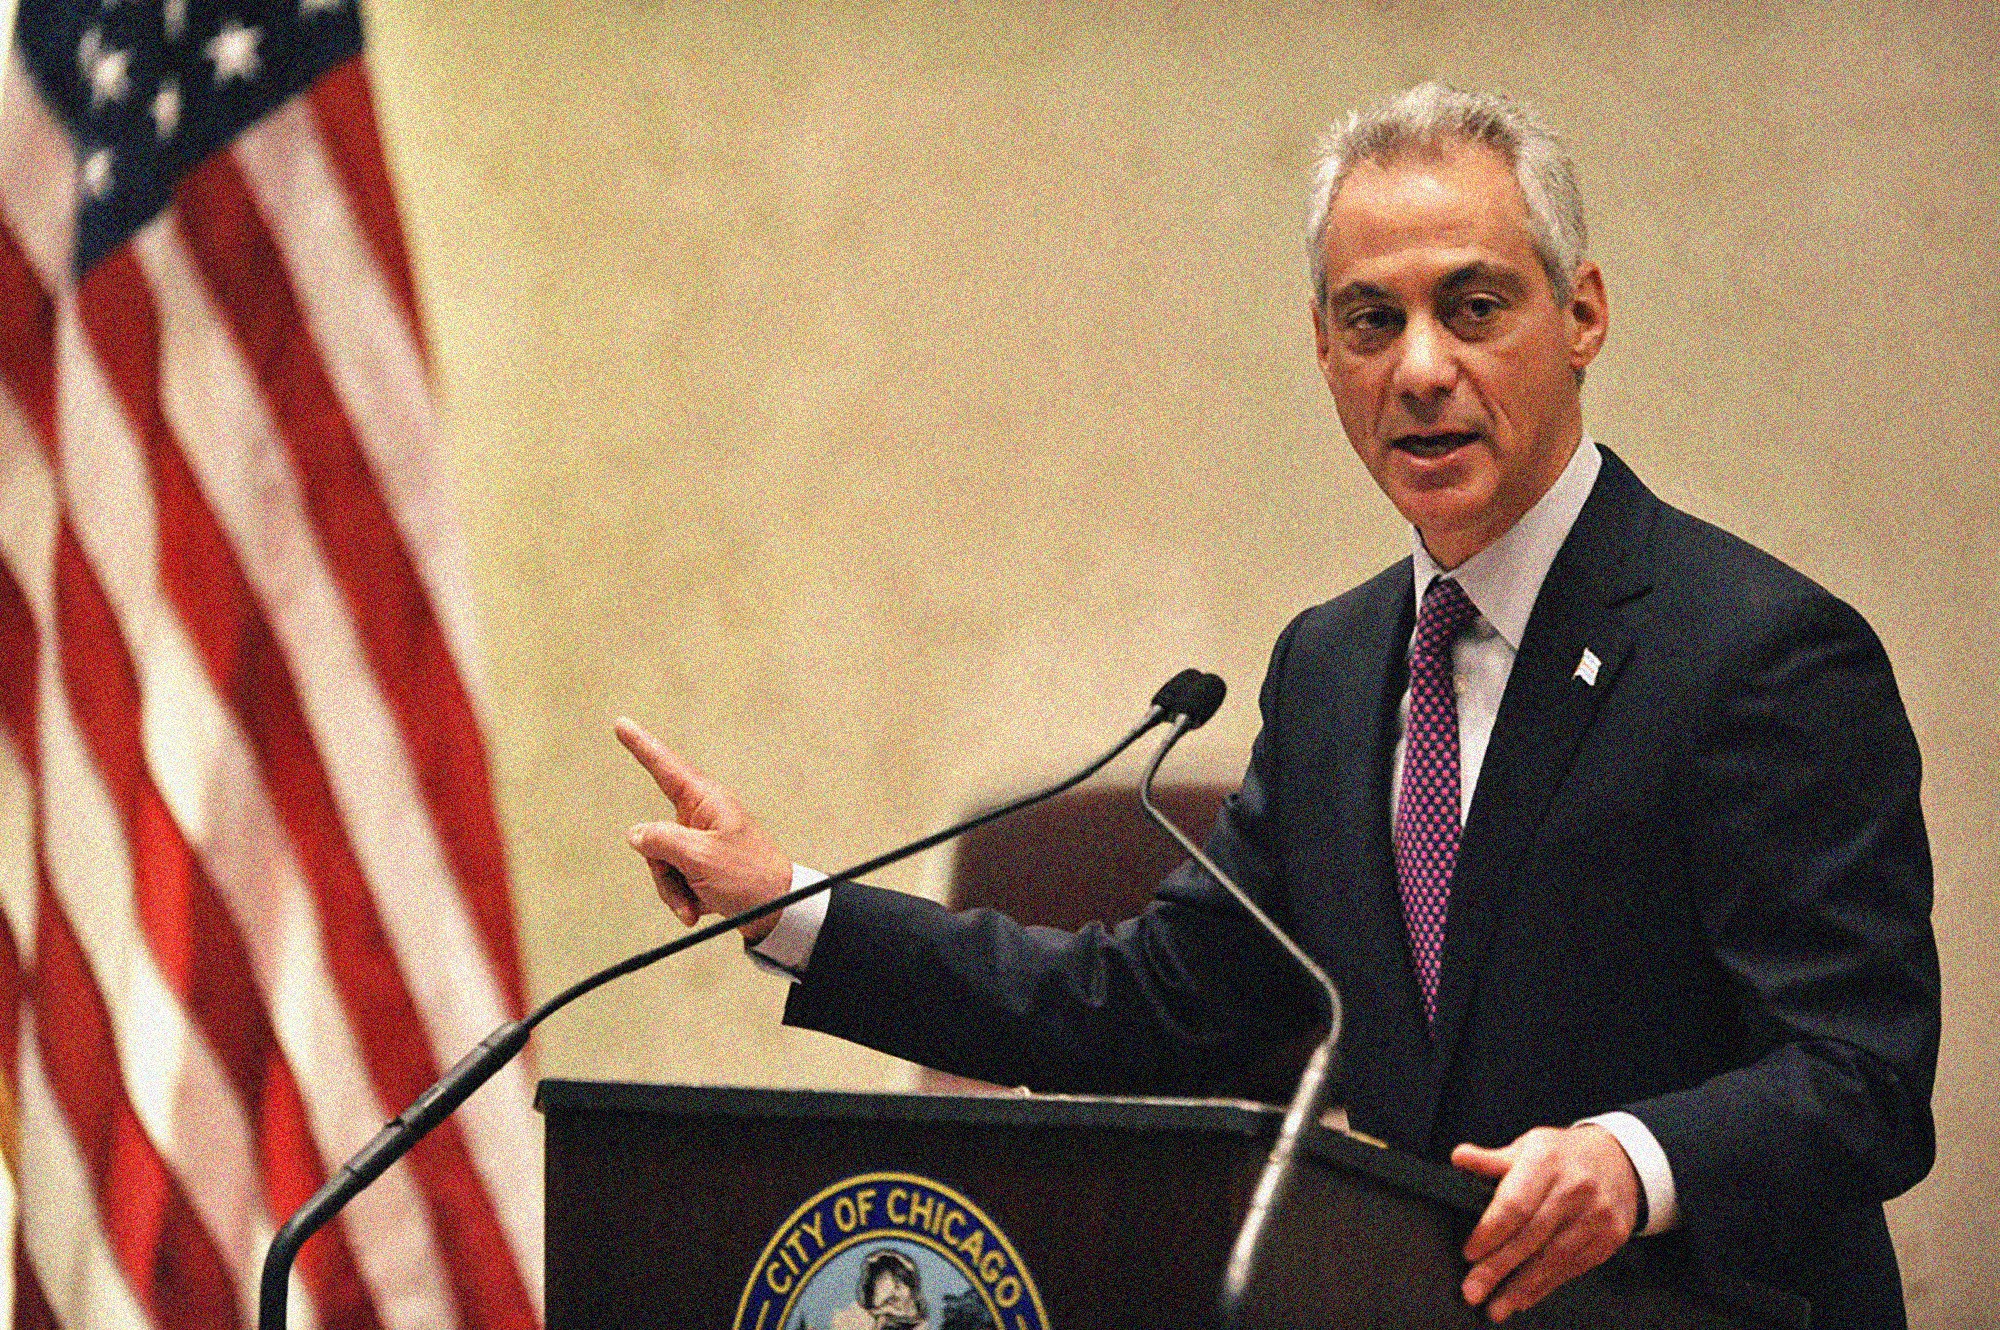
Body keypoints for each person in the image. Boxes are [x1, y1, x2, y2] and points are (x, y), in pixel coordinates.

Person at [616, 84, 1940, 1328]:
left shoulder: (1759, 653)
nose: (1419, 367)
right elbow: (1147, 1003)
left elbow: (1863, 1076)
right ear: (1322, 349)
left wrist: (1635, 1156)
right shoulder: (1336, 666)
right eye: (1372, 320)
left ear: (1583, 313)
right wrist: (788, 905)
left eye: (1473, 308)